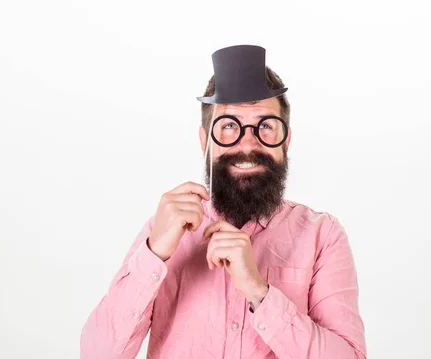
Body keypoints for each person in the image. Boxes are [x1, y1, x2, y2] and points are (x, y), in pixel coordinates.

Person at [80, 45, 366, 359]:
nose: (247, 143)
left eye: (265, 127)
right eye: (229, 126)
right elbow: (97, 353)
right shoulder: (164, 230)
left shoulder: (322, 236)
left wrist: (259, 290)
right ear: (205, 142)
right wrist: (156, 252)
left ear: (286, 140)